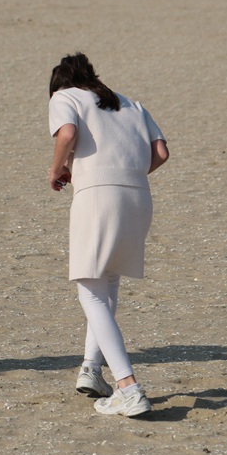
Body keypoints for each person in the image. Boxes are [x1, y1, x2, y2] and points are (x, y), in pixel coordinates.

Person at [47, 53, 168, 417]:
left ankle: (128, 388)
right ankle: (91, 368)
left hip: (98, 197)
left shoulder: (64, 96)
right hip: (138, 196)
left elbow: (67, 133)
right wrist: (126, 174)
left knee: (90, 291)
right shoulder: (131, 104)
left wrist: (58, 169)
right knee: (107, 285)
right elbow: (161, 153)